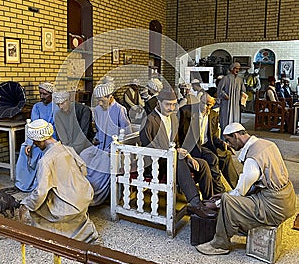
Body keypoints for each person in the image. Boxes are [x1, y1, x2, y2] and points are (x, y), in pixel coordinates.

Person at [196, 122, 296, 255]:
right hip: (288, 200)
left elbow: (239, 193)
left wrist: (216, 204)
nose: (228, 144)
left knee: (227, 200)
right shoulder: (266, 144)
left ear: (236, 135)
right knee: (229, 197)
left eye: (228, 140)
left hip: (274, 206)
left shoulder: (252, 159)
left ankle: (220, 244)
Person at [140, 88, 216, 219]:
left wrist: (189, 156)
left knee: (202, 164)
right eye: (168, 104)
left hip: (172, 158)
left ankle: (209, 202)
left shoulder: (174, 118)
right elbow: (149, 149)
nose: (171, 108)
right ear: (159, 102)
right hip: (155, 163)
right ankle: (196, 204)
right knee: (178, 160)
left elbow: (177, 144)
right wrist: (176, 153)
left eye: (174, 104)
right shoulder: (149, 120)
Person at [19, 119, 98, 242]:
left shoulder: (45, 161)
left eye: (35, 141)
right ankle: (85, 230)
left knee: (36, 206)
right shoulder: (68, 149)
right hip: (85, 197)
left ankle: (56, 235)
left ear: (40, 140)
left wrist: (26, 204)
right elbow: (84, 170)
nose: (34, 144)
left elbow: (40, 192)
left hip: (70, 206)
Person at [80, 77, 131, 206]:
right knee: (83, 156)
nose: (100, 104)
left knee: (101, 164)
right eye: (98, 101)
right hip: (100, 146)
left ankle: (94, 197)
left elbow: (128, 134)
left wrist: (116, 146)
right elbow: (97, 130)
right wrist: (95, 139)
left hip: (114, 150)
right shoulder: (97, 110)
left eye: (103, 101)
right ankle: (83, 192)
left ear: (110, 97)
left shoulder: (120, 110)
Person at [179, 94, 238, 192]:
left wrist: (222, 143)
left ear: (213, 104)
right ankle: (218, 190)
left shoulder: (213, 115)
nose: (205, 107)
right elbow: (179, 133)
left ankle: (238, 188)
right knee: (212, 159)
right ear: (199, 101)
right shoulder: (186, 111)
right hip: (192, 147)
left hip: (206, 145)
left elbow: (213, 136)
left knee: (226, 156)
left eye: (209, 105)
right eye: (203, 103)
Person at [15, 82, 57, 192]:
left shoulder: (57, 107)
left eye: (45, 94)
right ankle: (23, 182)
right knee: (24, 148)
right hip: (36, 139)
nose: (42, 97)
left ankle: (39, 183)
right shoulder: (37, 107)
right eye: (40, 94)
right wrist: (30, 143)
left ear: (52, 94)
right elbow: (33, 126)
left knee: (41, 152)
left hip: (51, 139)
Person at [217, 62, 246, 134]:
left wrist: (243, 99)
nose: (237, 70)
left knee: (235, 120)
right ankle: (225, 138)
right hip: (227, 103)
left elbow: (243, 91)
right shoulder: (225, 78)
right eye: (236, 68)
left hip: (236, 104)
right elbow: (220, 89)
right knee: (225, 120)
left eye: (238, 69)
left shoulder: (240, 79)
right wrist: (224, 95)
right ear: (232, 69)